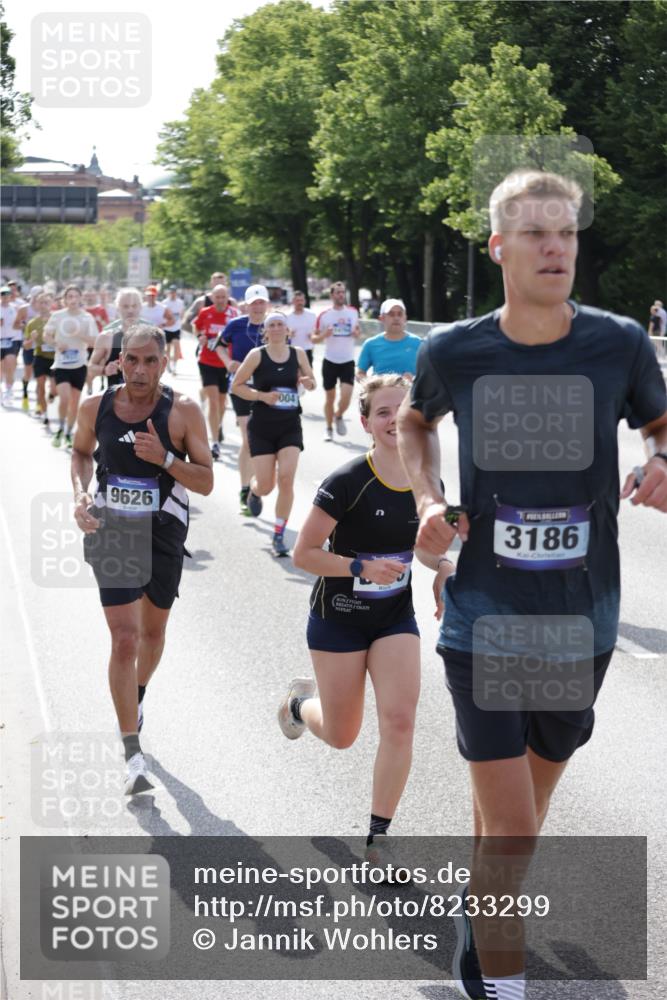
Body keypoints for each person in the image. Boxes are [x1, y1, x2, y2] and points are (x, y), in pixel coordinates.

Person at [397, 169, 667, 1000]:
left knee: (518, 821)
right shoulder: (457, 350)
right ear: (499, 247)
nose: (556, 247)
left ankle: (481, 920)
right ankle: (500, 981)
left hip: (582, 622)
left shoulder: (618, 343)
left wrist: (659, 456)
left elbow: (658, 421)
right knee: (512, 831)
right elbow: (412, 421)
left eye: (567, 233)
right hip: (482, 616)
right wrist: (429, 499)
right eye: (535, 233)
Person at [278, 375, 453, 853]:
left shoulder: (429, 482)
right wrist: (358, 566)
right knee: (341, 735)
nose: (395, 419)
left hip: (394, 619)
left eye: (405, 411)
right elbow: (304, 554)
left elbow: (427, 549)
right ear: (366, 424)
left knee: (400, 721)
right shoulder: (347, 482)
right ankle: (298, 705)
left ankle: (379, 837)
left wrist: (443, 566)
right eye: (383, 412)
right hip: (338, 617)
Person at [71, 323, 213, 794]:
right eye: (131, 359)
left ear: (164, 362)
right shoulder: (97, 406)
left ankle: (137, 696)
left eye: (150, 360)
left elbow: (207, 482)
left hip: (164, 532)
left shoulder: (184, 412)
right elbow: (79, 453)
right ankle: (132, 753)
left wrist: (166, 461)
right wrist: (80, 496)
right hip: (112, 530)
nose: (139, 369)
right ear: (119, 361)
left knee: (153, 632)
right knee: (126, 638)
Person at [231, 311, 316, 555]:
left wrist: (309, 383)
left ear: (288, 330)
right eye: (272, 325)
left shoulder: (298, 353)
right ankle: (254, 492)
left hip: (289, 424)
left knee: (287, 479)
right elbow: (237, 386)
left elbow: (311, 380)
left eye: (281, 324)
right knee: (267, 485)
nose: (277, 328)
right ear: (265, 331)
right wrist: (261, 396)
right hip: (263, 427)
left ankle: (279, 534)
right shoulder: (256, 355)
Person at [214, 284, 270, 513]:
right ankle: (246, 489)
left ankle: (256, 484)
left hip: (266, 390)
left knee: (261, 440)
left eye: (261, 302)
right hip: (239, 387)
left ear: (266, 304)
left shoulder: (274, 325)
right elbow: (218, 346)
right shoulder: (235, 325)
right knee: (249, 440)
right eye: (253, 303)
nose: (257, 307)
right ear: (246, 305)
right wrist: (229, 364)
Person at [43, 285, 98, 448]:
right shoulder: (57, 316)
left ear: (80, 299)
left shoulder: (87, 317)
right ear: (65, 300)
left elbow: (95, 341)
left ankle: (68, 432)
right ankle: (60, 428)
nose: (73, 299)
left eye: (76, 296)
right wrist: (56, 344)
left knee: (75, 402)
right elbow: (46, 335)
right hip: (61, 364)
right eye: (70, 296)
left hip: (80, 364)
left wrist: (79, 334)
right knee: (65, 399)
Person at [193, 284, 238, 458]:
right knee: (213, 402)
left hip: (226, 364)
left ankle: (216, 428)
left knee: (221, 402)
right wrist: (200, 337)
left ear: (228, 297)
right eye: (217, 297)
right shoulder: (205, 312)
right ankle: (214, 442)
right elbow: (196, 327)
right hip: (207, 361)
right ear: (212, 297)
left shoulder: (233, 314)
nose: (220, 300)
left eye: (223, 297)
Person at [311, 281, 360, 441]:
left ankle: (338, 415)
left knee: (346, 397)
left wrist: (356, 333)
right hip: (330, 361)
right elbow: (314, 338)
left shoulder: (352, 312)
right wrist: (324, 335)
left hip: (347, 361)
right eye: (337, 292)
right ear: (332, 295)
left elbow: (358, 332)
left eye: (342, 292)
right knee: (330, 398)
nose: (341, 295)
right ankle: (328, 427)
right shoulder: (324, 315)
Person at [89, 288, 144, 389]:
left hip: (145, 401)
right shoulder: (106, 337)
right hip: (116, 401)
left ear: (140, 307)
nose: (130, 310)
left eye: (134, 306)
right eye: (125, 306)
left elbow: (161, 367)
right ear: (118, 308)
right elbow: (91, 367)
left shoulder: (152, 336)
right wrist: (105, 370)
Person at [356, 298, 422, 380]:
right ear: (381, 318)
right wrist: (373, 384)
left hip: (410, 392)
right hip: (381, 392)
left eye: (400, 314)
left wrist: (414, 379)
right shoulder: (370, 344)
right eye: (391, 314)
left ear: (405, 318)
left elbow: (430, 372)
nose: (396, 318)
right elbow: (360, 373)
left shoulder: (419, 343)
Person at [25, 291, 56, 426]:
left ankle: (51, 396)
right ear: (37, 305)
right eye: (41, 303)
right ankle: (45, 414)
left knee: (54, 389)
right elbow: (25, 346)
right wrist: (31, 339)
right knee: (40, 386)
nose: (43, 305)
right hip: (40, 357)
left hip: (56, 359)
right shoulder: (32, 323)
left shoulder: (58, 319)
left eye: (46, 303)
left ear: (51, 304)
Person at [14, 285, 43, 411]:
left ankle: (38, 402)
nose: (39, 298)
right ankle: (25, 394)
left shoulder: (47, 309)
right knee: (28, 372)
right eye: (37, 295)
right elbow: (15, 325)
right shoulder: (24, 309)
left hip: (42, 347)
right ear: (33, 296)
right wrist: (26, 326)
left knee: (40, 376)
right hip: (29, 344)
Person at [285, 290, 316, 368]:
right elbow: (283, 336)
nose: (300, 303)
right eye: (297, 300)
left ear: (305, 301)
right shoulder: (287, 317)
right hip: (292, 350)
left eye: (301, 300)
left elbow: (317, 332)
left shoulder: (312, 315)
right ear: (293, 301)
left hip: (307, 350)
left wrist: (313, 335)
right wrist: (289, 335)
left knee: (307, 376)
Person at [0, 286, 18, 406]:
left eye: (7, 295)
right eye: (3, 294)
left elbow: (19, 323)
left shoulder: (15, 309)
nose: (5, 297)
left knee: (10, 364)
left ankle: (9, 390)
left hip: (11, 340)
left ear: (11, 296)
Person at [162, 285, 185, 373]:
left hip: (176, 328)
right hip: (167, 328)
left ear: (176, 293)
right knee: (168, 348)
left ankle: (175, 365)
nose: (173, 294)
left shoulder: (180, 302)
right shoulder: (165, 302)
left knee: (176, 345)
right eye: (171, 292)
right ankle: (168, 365)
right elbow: (163, 314)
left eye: (174, 292)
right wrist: (169, 319)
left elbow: (182, 313)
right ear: (169, 293)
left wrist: (180, 321)